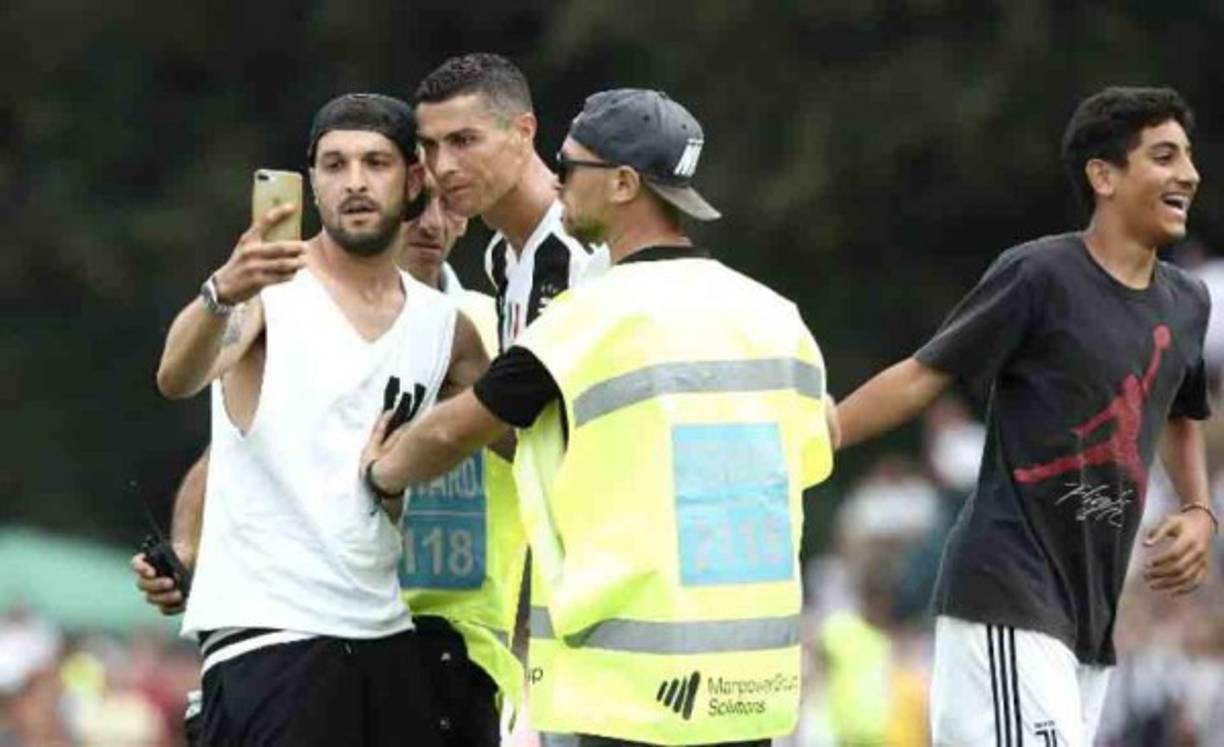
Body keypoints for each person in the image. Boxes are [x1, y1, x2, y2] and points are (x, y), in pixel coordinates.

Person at [360, 88, 838, 747]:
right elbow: (820, 445)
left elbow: (453, 429)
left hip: (628, 688)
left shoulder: (586, 320)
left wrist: (381, 474)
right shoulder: (775, 315)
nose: (556, 181)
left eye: (570, 165)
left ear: (622, 183)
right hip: (751, 686)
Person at [836, 86, 1219, 747]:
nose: (1187, 173)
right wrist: (826, 432)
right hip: (1007, 597)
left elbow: (1182, 409)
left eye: (1187, 156)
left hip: (1088, 622)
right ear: (1104, 175)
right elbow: (927, 373)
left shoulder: (1186, 302)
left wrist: (1197, 508)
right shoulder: (1041, 275)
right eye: (1162, 155)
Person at [152, 92, 490, 747]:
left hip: (386, 634)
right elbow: (177, 376)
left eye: (375, 162)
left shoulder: (445, 325)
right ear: (312, 184)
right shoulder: (264, 291)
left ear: (413, 180)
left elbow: (512, 426)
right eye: (334, 165)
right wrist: (220, 290)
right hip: (271, 638)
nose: (355, 181)